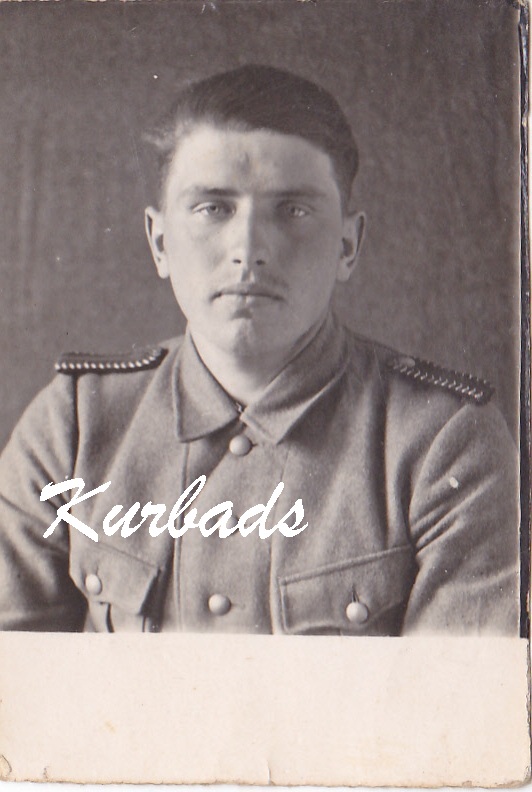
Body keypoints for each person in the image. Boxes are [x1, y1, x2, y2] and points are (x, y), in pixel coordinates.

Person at [0, 65, 519, 634]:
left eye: (293, 210)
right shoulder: (74, 425)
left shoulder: (444, 443)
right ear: (160, 242)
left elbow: (454, 689)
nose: (248, 249)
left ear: (348, 246)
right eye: (213, 208)